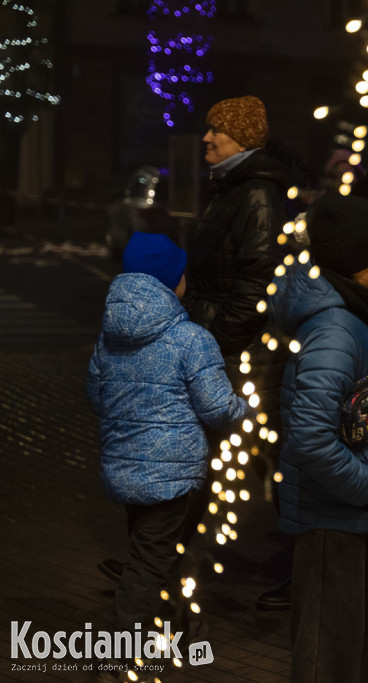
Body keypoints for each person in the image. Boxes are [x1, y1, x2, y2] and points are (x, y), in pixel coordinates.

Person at [86, 232, 250, 661]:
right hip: (170, 474)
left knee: (149, 552)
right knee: (146, 565)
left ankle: (179, 627)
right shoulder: (190, 339)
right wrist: (244, 408)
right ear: (171, 280)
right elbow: (217, 409)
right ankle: (117, 655)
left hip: (123, 470)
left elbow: (96, 396)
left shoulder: (109, 336)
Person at [270, 193, 368, 682]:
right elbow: (311, 437)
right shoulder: (335, 331)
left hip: (358, 517)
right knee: (329, 655)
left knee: (359, 649)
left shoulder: (359, 319)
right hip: (337, 519)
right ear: (354, 264)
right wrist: (366, 488)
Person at [183, 94, 293, 610]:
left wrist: (219, 339)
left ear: (244, 139)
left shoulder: (255, 195)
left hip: (239, 352)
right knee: (217, 459)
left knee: (246, 462)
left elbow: (258, 278)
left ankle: (181, 568)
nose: (206, 138)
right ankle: (175, 561)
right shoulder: (233, 188)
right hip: (224, 344)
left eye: (217, 131)